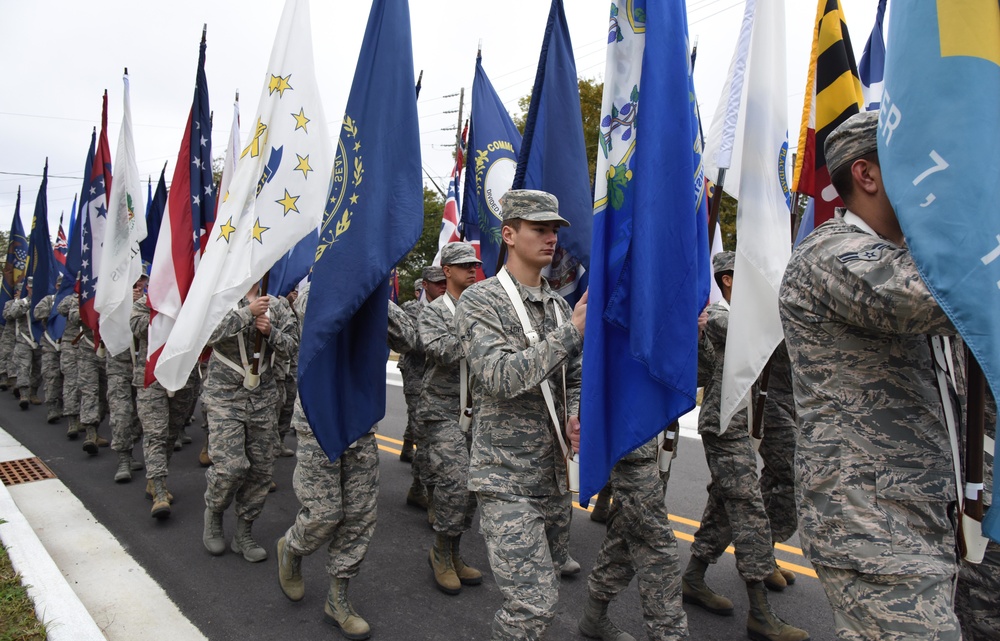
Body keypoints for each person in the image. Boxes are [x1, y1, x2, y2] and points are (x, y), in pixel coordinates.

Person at [779, 110, 961, 639]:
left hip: (929, 507)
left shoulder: (909, 257)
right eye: (924, 162)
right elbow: (942, 299)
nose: (942, 174)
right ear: (867, 175)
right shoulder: (831, 254)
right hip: (870, 517)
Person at [454, 189, 585, 640]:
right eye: (539, 229)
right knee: (532, 606)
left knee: (544, 593)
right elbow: (497, 377)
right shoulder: (480, 301)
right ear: (509, 235)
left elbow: (576, 378)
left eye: (554, 230)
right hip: (504, 479)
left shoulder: (560, 305)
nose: (550, 239)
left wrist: (574, 414)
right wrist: (571, 335)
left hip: (551, 478)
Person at [276, 291, 416, 641]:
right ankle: (293, 546)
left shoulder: (374, 291)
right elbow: (311, 311)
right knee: (324, 514)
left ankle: (337, 599)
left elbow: (410, 338)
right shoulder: (318, 287)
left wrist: (374, 292)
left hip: (360, 419)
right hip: (318, 417)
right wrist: (353, 283)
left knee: (359, 516)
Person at [684, 252, 808, 641]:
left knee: (727, 503)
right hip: (726, 424)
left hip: (764, 416)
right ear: (728, 280)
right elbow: (734, 331)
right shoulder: (720, 317)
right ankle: (760, 612)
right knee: (746, 503)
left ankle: (693, 576)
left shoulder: (763, 320)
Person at [201, 280, 296, 562]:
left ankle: (244, 532)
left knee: (260, 470)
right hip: (224, 396)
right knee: (231, 467)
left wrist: (271, 332)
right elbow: (205, 335)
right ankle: (215, 513)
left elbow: (292, 346)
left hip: (263, 398)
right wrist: (247, 313)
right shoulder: (219, 298)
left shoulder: (277, 305)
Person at [571, 430, 688, 641]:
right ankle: (669, 635)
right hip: (633, 436)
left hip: (658, 435)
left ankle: (594, 614)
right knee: (656, 541)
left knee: (627, 526)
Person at [419, 242, 483, 595]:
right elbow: (439, 350)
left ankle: (455, 552)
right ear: (447, 270)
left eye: (474, 266)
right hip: (442, 411)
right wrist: (475, 334)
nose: (471, 271)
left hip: (479, 412)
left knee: (472, 488)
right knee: (455, 482)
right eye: (463, 266)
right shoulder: (434, 311)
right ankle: (440, 553)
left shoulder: (482, 306)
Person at [399, 265, 447, 515]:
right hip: (418, 381)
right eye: (437, 282)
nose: (443, 286)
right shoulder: (412, 310)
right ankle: (424, 491)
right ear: (425, 285)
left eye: (444, 281)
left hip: (444, 385)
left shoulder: (453, 308)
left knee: (440, 442)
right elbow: (413, 342)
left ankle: (423, 487)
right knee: (425, 439)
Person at [106, 272, 146, 483]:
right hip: (119, 363)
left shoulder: (150, 300)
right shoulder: (111, 297)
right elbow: (99, 318)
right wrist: (123, 304)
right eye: (135, 277)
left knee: (142, 414)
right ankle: (123, 458)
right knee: (121, 412)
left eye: (142, 279)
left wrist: (139, 306)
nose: (138, 283)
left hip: (142, 364)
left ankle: (131, 449)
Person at [8, 278, 42, 410]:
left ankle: (33, 392)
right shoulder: (21, 302)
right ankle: (24, 394)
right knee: (23, 367)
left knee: (37, 370)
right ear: (27, 288)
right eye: (31, 287)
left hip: (39, 341)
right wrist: (28, 304)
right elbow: (13, 314)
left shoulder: (43, 301)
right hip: (24, 340)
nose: (33, 290)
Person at [33, 288, 64, 423]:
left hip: (70, 345)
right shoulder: (49, 300)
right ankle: (52, 407)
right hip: (50, 343)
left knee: (71, 380)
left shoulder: (75, 300)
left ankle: (69, 408)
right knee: (51, 376)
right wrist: (55, 308)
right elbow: (37, 313)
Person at [57, 288, 83, 439]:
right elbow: (61, 309)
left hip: (90, 347)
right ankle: (72, 420)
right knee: (72, 382)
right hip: (71, 345)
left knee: (88, 386)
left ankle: (85, 418)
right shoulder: (71, 300)